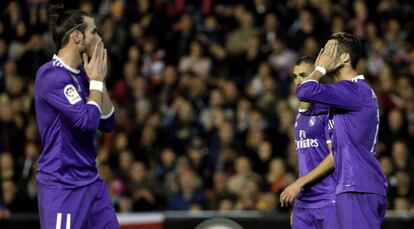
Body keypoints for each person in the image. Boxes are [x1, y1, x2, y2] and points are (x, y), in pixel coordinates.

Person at [34, 4, 119, 229]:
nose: (99, 38)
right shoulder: (50, 75)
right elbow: (88, 122)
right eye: (94, 31)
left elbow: (108, 122)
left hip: (91, 182)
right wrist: (97, 81)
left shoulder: (84, 75)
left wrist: (98, 79)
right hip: (63, 186)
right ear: (76, 36)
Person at [296, 32, 388, 229]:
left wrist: (319, 69)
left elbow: (305, 91)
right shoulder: (344, 95)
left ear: (345, 58)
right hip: (353, 185)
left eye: (329, 51)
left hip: (358, 185)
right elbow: (305, 108)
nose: (322, 56)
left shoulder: (355, 91)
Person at [280, 56, 336, 228]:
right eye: (294, 76)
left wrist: (299, 183)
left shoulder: (326, 111)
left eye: (303, 75)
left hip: (328, 200)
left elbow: (335, 156)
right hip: (304, 204)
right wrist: (299, 202)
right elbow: (307, 161)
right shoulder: (300, 116)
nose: (298, 81)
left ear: (315, 77)